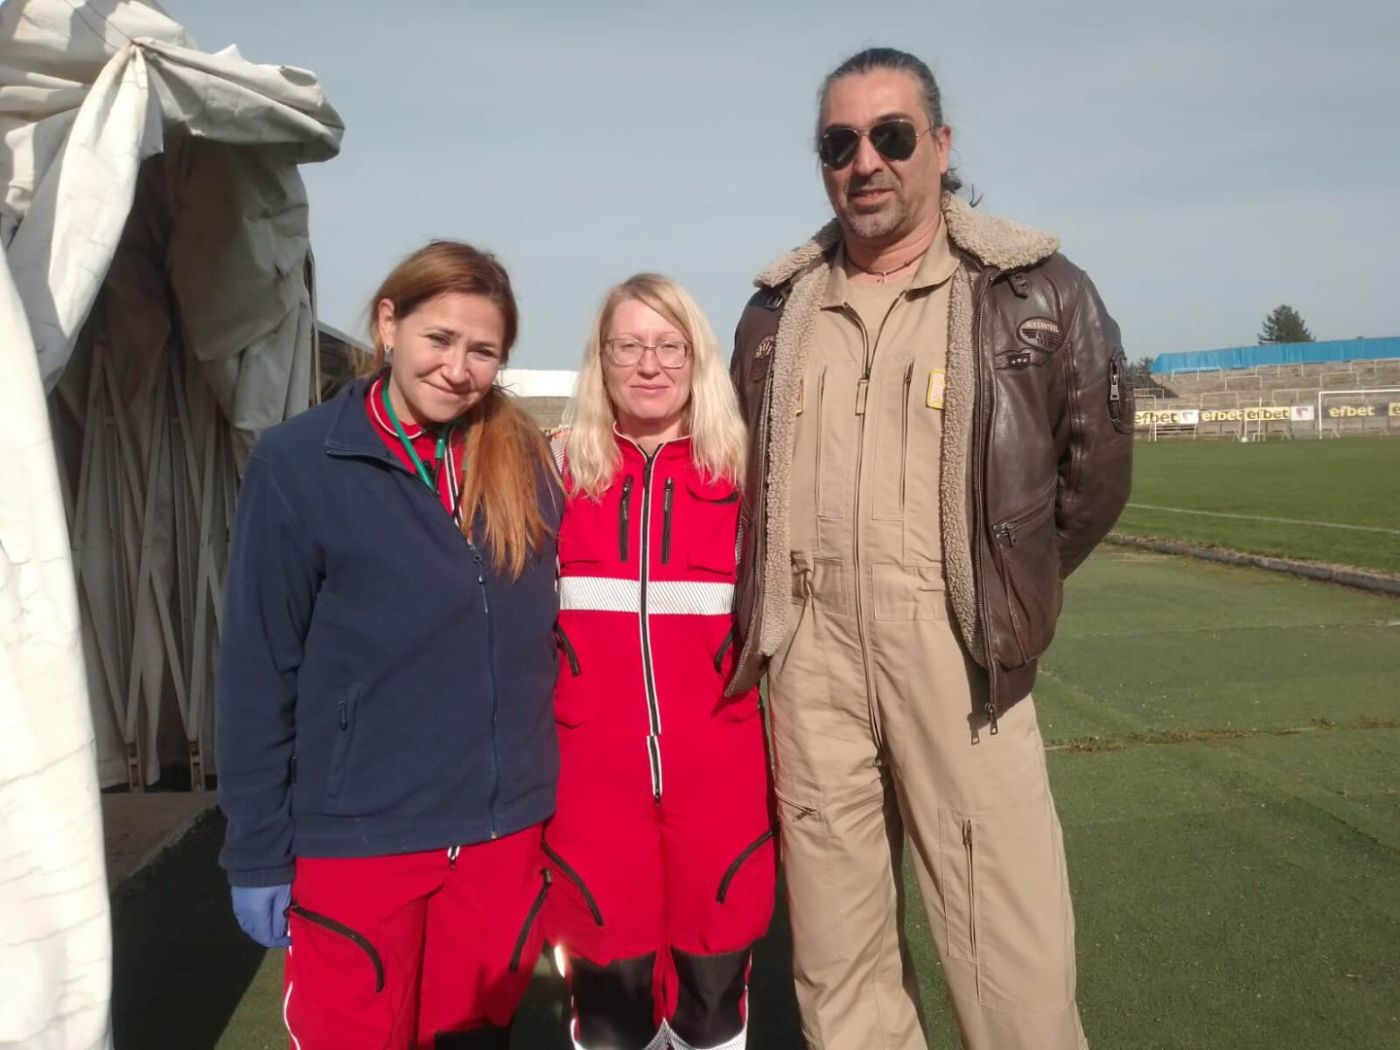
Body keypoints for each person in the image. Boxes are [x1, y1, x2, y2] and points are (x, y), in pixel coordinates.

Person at [726, 48, 1134, 1050]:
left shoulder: (1034, 290)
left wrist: (999, 586)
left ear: (940, 146)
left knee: (1012, 968)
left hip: (960, 659)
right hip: (810, 666)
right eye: (839, 143)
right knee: (838, 969)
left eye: (891, 135)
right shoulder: (774, 312)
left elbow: (1092, 480)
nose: (864, 161)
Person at [215, 241, 561, 1049]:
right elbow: (257, 671)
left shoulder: (525, 459)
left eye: (483, 351)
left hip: (501, 836)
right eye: (439, 338)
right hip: (361, 839)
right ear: (388, 324)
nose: (458, 369)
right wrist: (256, 849)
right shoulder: (299, 463)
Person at [543, 274, 775, 1050]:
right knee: (611, 1009)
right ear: (600, 359)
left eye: (670, 345)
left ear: (697, 357)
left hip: (722, 783)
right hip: (590, 790)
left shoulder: (746, 477)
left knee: (712, 1004)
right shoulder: (554, 473)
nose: (650, 364)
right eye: (628, 346)